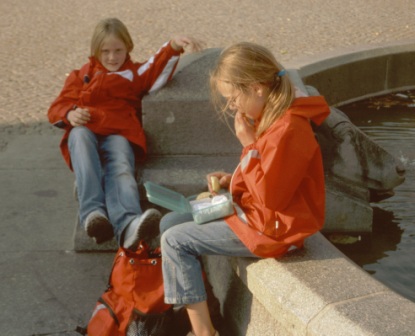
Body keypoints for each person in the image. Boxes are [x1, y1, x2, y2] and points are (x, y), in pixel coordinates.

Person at [159, 42, 330, 336]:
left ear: (257, 87)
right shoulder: (273, 115)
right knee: (170, 221)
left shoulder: (289, 128)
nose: (231, 106)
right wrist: (232, 180)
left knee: (175, 241)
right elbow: (269, 177)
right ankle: (205, 305)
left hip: (274, 229)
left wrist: (249, 146)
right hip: (260, 216)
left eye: (233, 97)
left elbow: (272, 197)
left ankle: (204, 332)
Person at [47, 17, 203, 249]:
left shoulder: (134, 73)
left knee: (120, 164)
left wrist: (173, 46)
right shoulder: (81, 75)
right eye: (106, 51)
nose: (112, 57)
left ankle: (128, 223)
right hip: (87, 131)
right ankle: (92, 214)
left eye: (118, 50)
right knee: (78, 136)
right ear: (95, 51)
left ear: (128, 48)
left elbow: (154, 66)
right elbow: (57, 107)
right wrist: (70, 114)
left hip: (119, 132)